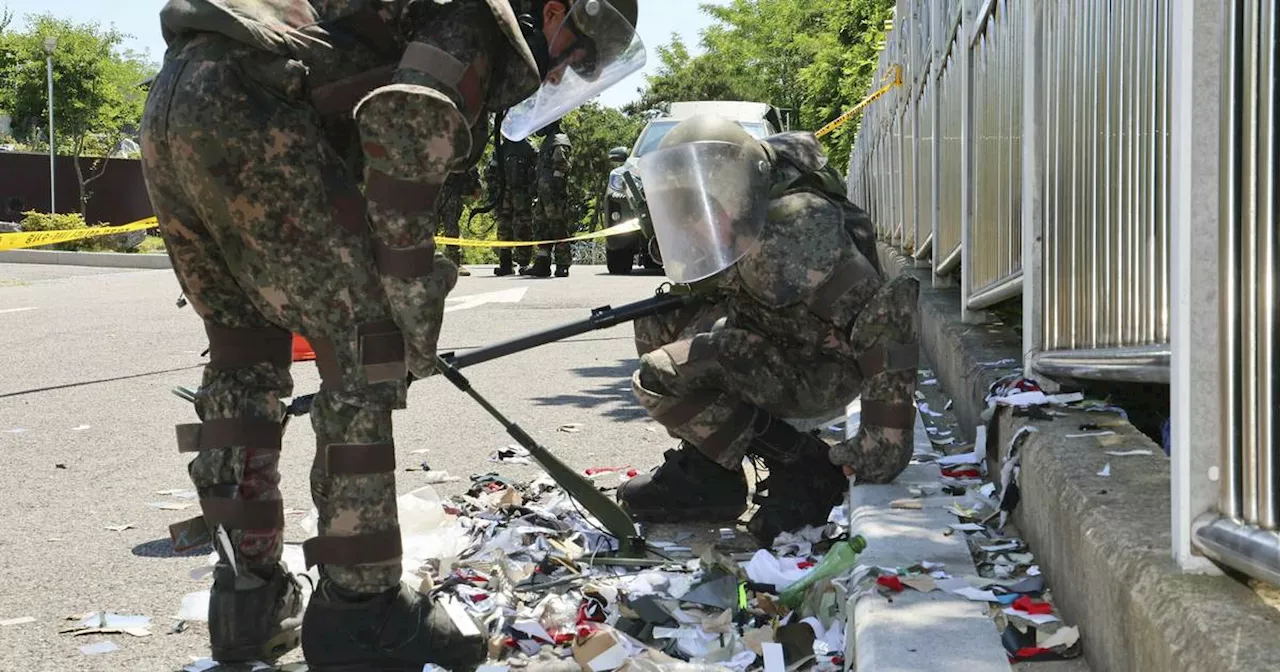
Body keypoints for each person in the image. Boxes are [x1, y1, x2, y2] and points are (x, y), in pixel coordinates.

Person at [138, 0, 641, 668]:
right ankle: (362, 613)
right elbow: (408, 120)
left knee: (243, 352)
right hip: (257, 108)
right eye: (580, 52)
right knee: (367, 357)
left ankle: (248, 600)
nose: (569, 72)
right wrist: (408, 303)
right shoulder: (474, 20)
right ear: (555, 10)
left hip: (178, 102)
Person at [617, 115, 920, 546]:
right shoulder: (741, 226)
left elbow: (886, 316)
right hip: (779, 338)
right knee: (657, 324)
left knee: (661, 375)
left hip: (823, 369)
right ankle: (712, 474)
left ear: (732, 196)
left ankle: (803, 467)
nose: (691, 227)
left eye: (699, 210)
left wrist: (883, 444)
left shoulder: (792, 236)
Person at [528, 120, 574, 277]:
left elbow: (561, 166)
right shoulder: (549, 141)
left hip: (553, 194)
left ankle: (562, 264)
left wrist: (554, 190)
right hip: (544, 193)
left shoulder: (558, 140)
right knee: (541, 226)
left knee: (558, 226)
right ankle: (542, 262)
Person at [437, 167, 483, 276]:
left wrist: (476, 185)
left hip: (451, 191)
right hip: (432, 190)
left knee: (452, 228)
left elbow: (468, 162)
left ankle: (454, 264)